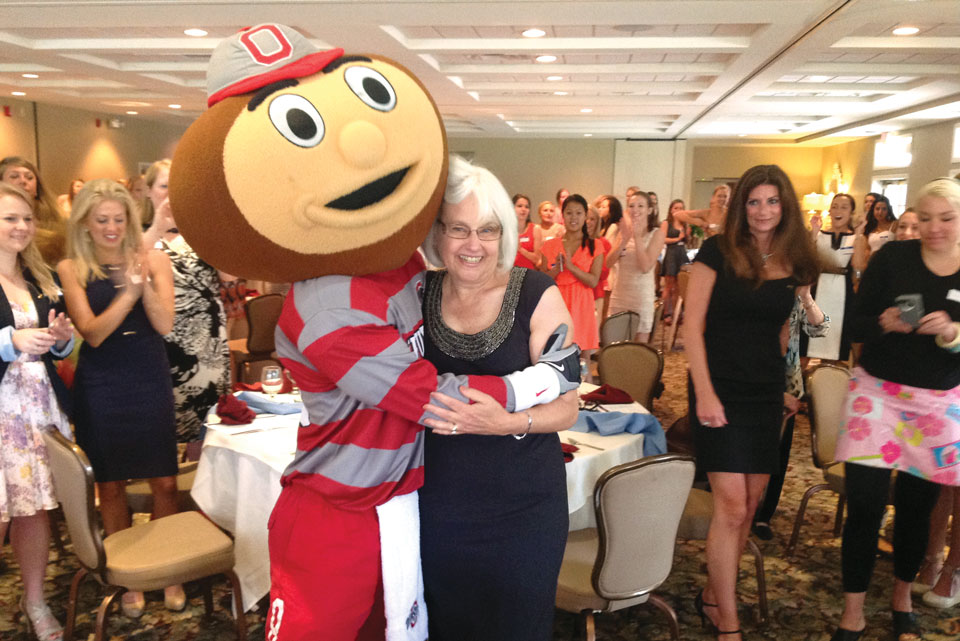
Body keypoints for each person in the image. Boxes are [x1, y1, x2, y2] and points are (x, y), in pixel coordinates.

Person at [418, 155, 578, 641]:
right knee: (444, 625)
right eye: (458, 230)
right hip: (436, 507)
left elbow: (568, 404)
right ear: (438, 234)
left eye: (487, 230)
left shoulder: (536, 292)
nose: (472, 245)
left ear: (505, 234)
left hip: (521, 510)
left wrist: (505, 421)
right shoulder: (418, 292)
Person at [685, 165, 819, 640]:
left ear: (786, 207)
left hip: (764, 394)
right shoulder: (717, 251)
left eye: (772, 201)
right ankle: (730, 626)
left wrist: (786, 387)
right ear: (742, 205)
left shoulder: (796, 259)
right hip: (718, 388)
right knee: (731, 505)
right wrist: (703, 392)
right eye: (754, 201)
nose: (763, 211)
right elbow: (692, 328)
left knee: (753, 503)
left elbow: (784, 331)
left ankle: (713, 595)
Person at [832, 178, 960, 641]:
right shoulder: (891, 258)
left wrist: (952, 333)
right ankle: (853, 610)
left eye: (946, 218)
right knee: (864, 506)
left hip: (935, 404)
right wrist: (883, 324)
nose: (934, 228)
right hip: (878, 396)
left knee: (915, 510)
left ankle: (902, 596)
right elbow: (852, 324)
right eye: (925, 218)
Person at [57, 179, 184, 617]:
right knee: (110, 485)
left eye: (119, 218)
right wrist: (127, 292)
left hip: (148, 375)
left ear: (131, 219)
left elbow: (165, 324)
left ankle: (169, 569)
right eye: (102, 220)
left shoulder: (155, 259)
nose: (112, 227)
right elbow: (92, 334)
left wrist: (142, 282)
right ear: (86, 225)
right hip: (103, 382)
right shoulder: (71, 268)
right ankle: (128, 575)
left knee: (165, 481)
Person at [0, 182, 74, 641]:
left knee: (33, 512)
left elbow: (60, 350)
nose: (23, 227)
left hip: (35, 408)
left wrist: (61, 338)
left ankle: (35, 600)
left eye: (27, 218)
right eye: (10, 218)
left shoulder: (38, 278)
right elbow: (16, 343)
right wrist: (11, 342)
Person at [142, 159, 230, 443]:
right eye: (164, 186)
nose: (170, 194)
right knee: (166, 420)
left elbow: (230, 275)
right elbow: (127, 267)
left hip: (207, 340)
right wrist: (158, 226)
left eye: (177, 187)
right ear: (149, 190)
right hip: (160, 337)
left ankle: (201, 482)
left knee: (207, 420)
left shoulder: (200, 230)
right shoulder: (140, 233)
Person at [752, 288, 828, 540]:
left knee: (778, 451)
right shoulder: (757, 290)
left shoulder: (795, 295)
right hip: (751, 378)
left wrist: (806, 297)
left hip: (788, 382)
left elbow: (820, 329)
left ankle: (763, 514)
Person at [541, 194, 602, 362]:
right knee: (555, 357)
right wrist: (557, 269)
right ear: (563, 215)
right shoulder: (550, 245)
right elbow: (542, 281)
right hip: (557, 304)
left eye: (578, 213)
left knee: (583, 360)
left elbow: (593, 281)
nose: (573, 218)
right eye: (569, 213)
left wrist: (571, 267)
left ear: (585, 216)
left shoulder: (595, 245)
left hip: (582, 305)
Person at [804, 194, 865, 362]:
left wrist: (859, 235)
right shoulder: (819, 234)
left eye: (844, 207)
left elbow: (859, 267)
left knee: (836, 342)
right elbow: (806, 262)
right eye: (834, 206)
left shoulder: (855, 238)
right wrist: (814, 234)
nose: (838, 211)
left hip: (842, 292)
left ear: (851, 212)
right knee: (809, 340)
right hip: (818, 289)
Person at [608, 190, 664, 343]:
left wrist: (637, 237)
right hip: (619, 295)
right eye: (631, 206)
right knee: (615, 348)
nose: (635, 210)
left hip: (641, 298)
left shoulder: (657, 233)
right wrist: (624, 240)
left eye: (640, 206)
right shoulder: (622, 232)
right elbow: (608, 263)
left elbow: (645, 266)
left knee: (637, 352)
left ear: (649, 210)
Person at [0, 157, 66, 266]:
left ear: (37, 188)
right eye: (14, 176)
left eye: (29, 177)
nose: (23, 181)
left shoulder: (59, 219)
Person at [661, 198, 689, 324]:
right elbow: (662, 239)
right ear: (671, 210)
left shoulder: (685, 224)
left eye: (681, 208)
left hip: (682, 253)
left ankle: (677, 312)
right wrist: (677, 239)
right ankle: (667, 312)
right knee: (669, 285)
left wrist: (686, 236)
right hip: (671, 253)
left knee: (679, 286)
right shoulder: (667, 223)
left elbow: (687, 240)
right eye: (676, 208)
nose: (678, 210)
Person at [586, 206, 611, 327]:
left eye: (592, 219)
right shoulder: (573, 241)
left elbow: (604, 272)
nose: (588, 222)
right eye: (586, 218)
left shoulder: (603, 243)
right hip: (575, 294)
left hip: (595, 293)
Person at [858, 194, 896, 262]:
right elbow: (867, 249)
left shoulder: (894, 224)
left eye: (884, 209)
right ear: (873, 210)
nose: (880, 212)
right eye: (877, 209)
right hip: (872, 263)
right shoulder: (870, 227)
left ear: (888, 210)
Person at [513, 193, 541, 269]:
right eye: (520, 206)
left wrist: (520, 249)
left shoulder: (536, 229)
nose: (523, 209)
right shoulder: (506, 231)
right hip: (510, 275)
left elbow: (537, 259)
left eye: (526, 207)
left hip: (529, 274)